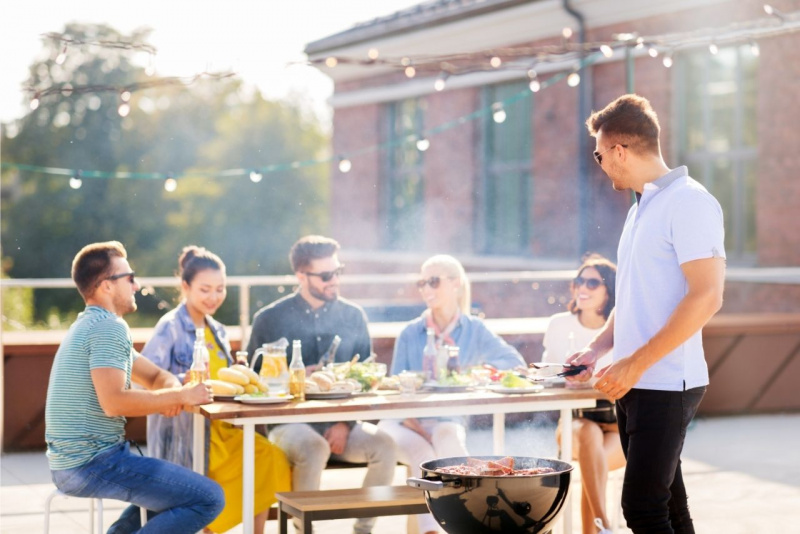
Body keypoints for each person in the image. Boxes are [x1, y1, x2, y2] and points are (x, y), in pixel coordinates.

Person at [569, 94, 726, 534]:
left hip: (666, 382)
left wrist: (635, 362)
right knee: (670, 508)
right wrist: (597, 347)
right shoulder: (643, 208)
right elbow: (636, 298)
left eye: (600, 155)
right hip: (636, 382)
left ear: (619, 150)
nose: (600, 165)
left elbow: (708, 296)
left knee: (641, 508)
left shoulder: (690, 203)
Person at [44, 241, 224, 534]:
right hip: (91, 464)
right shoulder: (108, 328)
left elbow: (155, 377)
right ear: (106, 286)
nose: (137, 285)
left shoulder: (92, 324)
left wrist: (170, 394)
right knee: (208, 498)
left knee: (175, 495)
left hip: (74, 463)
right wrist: (178, 395)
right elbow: (113, 403)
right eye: (129, 278)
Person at [245, 235, 397, 534]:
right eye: (326, 275)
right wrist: (292, 378)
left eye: (338, 272)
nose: (334, 281)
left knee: (386, 446)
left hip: (341, 424)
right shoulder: (269, 319)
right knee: (313, 448)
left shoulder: (353, 316)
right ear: (301, 275)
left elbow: (369, 381)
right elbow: (252, 383)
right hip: (288, 425)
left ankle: (363, 530)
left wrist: (346, 423)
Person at [142, 246, 291, 534]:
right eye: (205, 289)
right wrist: (181, 385)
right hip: (187, 433)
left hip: (220, 429)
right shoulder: (170, 327)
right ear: (185, 287)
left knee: (270, 458)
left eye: (220, 289)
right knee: (217, 479)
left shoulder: (219, 330)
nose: (214, 297)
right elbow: (145, 378)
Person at [380, 254, 526, 534]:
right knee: (423, 452)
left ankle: (469, 521)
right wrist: (416, 424)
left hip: (446, 418)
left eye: (433, 281)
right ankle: (431, 531)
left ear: (456, 284)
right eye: (422, 282)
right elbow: (395, 391)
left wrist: (479, 371)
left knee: (449, 442)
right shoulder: (411, 332)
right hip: (402, 421)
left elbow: (514, 362)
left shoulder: (474, 329)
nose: (425, 289)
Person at [542, 254, 625, 534]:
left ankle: (599, 529)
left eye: (592, 282)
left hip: (616, 426)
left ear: (609, 291)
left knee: (595, 462)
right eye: (579, 281)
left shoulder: (621, 329)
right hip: (573, 425)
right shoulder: (559, 325)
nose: (583, 288)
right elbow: (547, 376)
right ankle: (604, 525)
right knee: (589, 435)